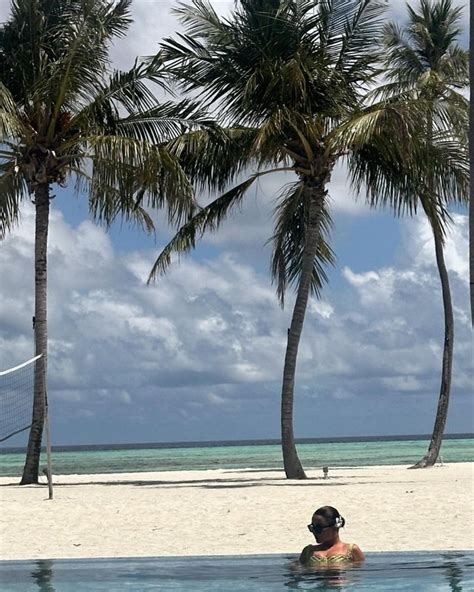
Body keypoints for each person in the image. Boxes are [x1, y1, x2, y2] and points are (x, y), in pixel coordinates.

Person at [299, 505, 364, 565]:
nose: (314, 532)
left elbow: (358, 574)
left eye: (318, 528)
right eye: (312, 527)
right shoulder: (308, 551)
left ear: (334, 527)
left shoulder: (351, 550)